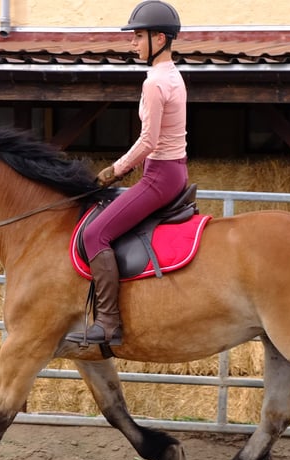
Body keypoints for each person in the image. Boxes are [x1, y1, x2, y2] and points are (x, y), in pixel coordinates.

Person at [65, 0, 187, 348]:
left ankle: (107, 323)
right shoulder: (174, 76)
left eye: (138, 37)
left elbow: (148, 141)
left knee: (95, 234)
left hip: (159, 176)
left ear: (159, 39)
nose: (133, 44)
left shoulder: (154, 83)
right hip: (174, 170)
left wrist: (114, 171)